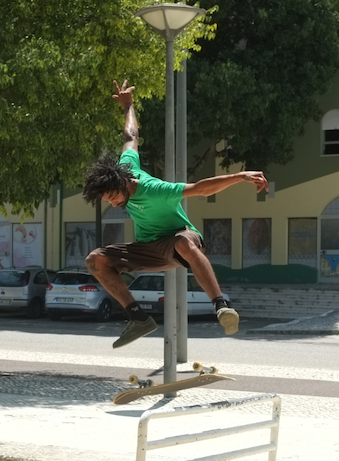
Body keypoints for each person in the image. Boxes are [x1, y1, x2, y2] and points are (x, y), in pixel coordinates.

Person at [83, 79, 269, 348]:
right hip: (149, 248)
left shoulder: (154, 188)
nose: (114, 204)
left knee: (182, 241)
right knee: (95, 260)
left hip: (180, 241)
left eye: (114, 197)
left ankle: (221, 306)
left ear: (123, 184)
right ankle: (138, 318)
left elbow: (200, 189)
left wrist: (239, 176)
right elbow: (131, 137)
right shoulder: (125, 166)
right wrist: (128, 106)